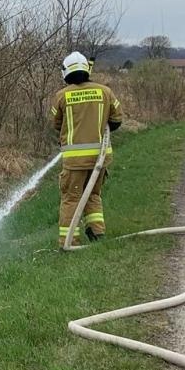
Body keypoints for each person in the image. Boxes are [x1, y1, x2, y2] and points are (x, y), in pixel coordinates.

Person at [50, 51, 122, 245]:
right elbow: (117, 120)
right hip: (99, 158)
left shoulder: (61, 96)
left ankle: (69, 240)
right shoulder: (105, 92)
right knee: (93, 194)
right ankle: (97, 233)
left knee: (71, 199)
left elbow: (56, 123)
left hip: (74, 161)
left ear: (66, 72)